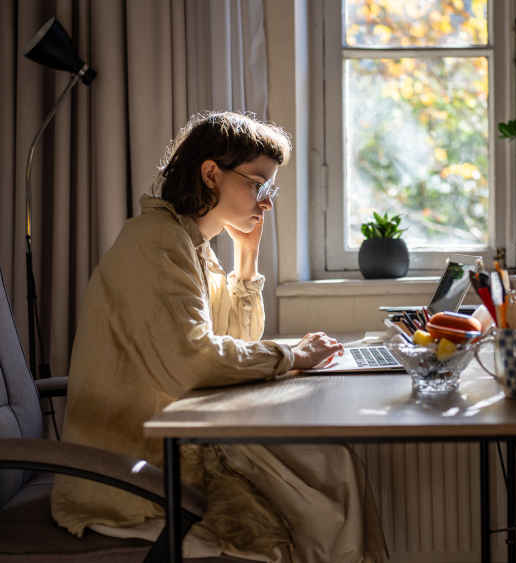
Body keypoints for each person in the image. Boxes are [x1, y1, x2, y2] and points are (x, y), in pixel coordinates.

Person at [51, 111, 385, 562]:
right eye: (258, 184)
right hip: (132, 475)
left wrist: (247, 259)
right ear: (211, 173)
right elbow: (196, 361)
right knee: (326, 477)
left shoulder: (189, 243)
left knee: (331, 466)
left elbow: (235, 337)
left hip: (174, 444)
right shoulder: (154, 242)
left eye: (269, 189)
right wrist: (291, 356)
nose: (265, 203)